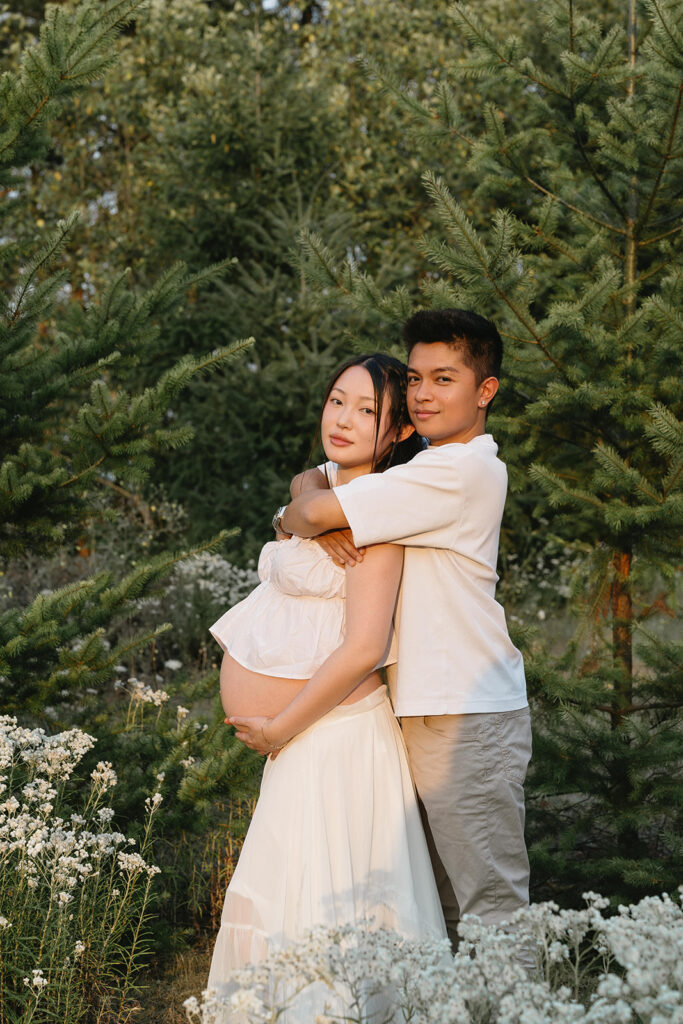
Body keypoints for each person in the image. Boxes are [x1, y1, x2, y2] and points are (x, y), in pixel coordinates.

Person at [235, 309, 533, 967]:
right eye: (417, 378)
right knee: (438, 904)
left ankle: (520, 1011)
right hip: (420, 711)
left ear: (483, 391)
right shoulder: (416, 464)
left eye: (444, 379)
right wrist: (314, 510)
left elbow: (308, 506)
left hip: (465, 715)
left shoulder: (456, 472)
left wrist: (317, 517)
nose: (424, 393)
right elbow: (309, 485)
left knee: (487, 904)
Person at [207, 353, 446, 1017]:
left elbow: (364, 647)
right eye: (337, 400)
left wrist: (281, 727)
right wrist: (299, 510)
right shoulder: (324, 490)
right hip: (307, 739)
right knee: (285, 902)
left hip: (329, 738)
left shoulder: (380, 511)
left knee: (321, 910)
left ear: (397, 431)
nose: (342, 418)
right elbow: (298, 507)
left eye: (366, 410)